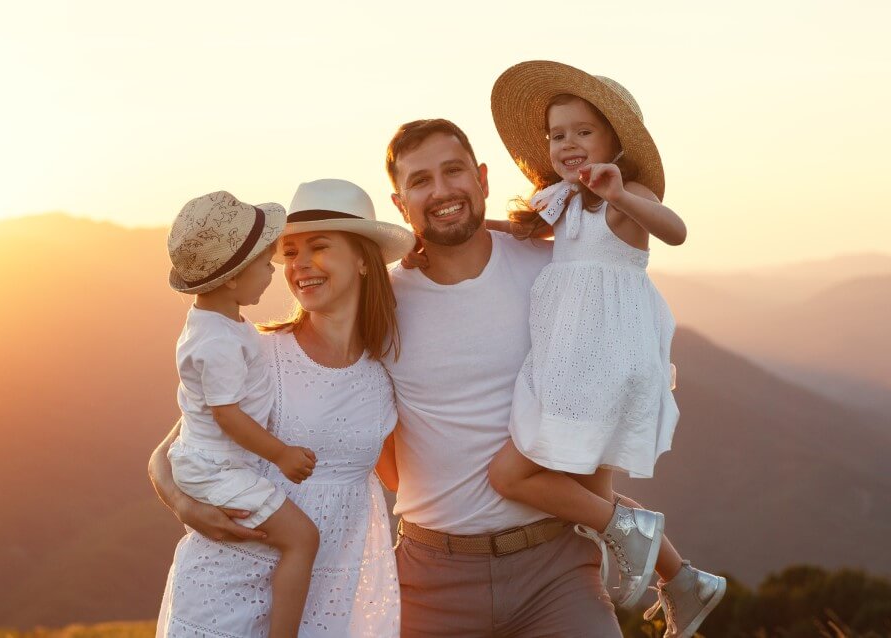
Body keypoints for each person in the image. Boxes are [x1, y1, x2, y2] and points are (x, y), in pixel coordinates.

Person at [482, 61, 724, 637]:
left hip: (603, 363)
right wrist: (450, 233)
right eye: (557, 134)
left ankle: (665, 566)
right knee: (597, 505)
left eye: (582, 131)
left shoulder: (623, 195)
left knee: (513, 475)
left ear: (614, 139)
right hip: (570, 358)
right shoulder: (565, 200)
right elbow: (519, 232)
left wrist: (621, 192)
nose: (567, 143)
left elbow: (675, 230)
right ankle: (684, 581)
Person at [377, 116, 627, 636]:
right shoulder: (379, 302)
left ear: (483, 179)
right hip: (431, 580)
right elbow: (306, 376)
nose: (442, 190)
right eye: (420, 181)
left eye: (454, 171)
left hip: (556, 569)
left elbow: (607, 380)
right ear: (400, 205)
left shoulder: (552, 268)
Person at [152, 179, 416, 637]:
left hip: (334, 585)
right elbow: (168, 452)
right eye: (289, 252)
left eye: (318, 247)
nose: (300, 265)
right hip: (228, 586)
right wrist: (182, 504)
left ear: (362, 259)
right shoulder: (258, 352)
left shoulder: (389, 368)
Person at [162, 190, 318, 638]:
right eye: (265, 263)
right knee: (302, 539)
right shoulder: (220, 344)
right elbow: (228, 418)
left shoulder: (217, 322)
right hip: (214, 469)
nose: (273, 271)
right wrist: (282, 454)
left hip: (205, 460)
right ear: (232, 278)